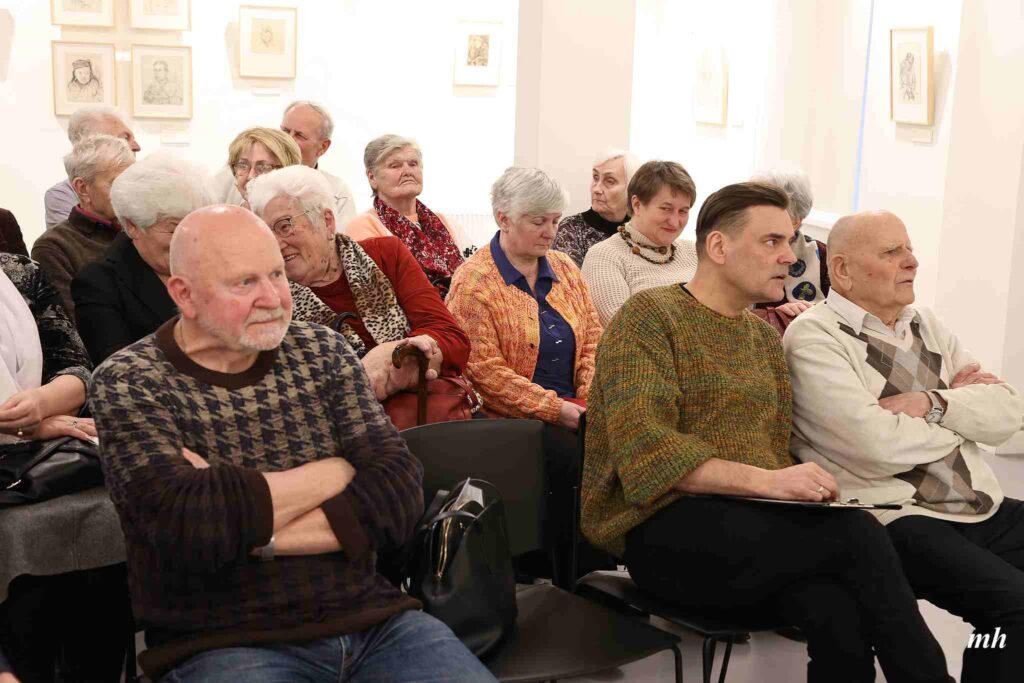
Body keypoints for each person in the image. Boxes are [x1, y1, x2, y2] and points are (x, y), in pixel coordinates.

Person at [88, 205, 495, 682]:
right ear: (184, 294)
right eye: (244, 283)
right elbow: (185, 526)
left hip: (372, 620)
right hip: (223, 641)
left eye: (277, 274)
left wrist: (246, 527)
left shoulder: (322, 351)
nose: (273, 298)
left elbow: (397, 496)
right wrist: (335, 471)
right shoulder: (130, 380)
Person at [581, 182, 953, 683]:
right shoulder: (649, 318)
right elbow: (649, 453)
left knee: (834, 606)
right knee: (858, 534)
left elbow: (777, 448)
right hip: (662, 533)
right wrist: (771, 482)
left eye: (791, 241)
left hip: (752, 530)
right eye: (772, 241)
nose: (790, 257)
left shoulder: (760, 336)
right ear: (718, 247)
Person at [785, 209, 1024, 683]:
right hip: (897, 516)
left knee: (1003, 621)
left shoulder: (925, 324)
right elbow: (875, 444)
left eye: (909, 249)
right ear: (844, 270)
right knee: (1013, 608)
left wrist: (931, 403)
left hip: (976, 502)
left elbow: (1010, 414)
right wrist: (960, 412)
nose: (912, 261)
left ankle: (991, 645)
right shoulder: (815, 337)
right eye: (892, 252)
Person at [447, 167, 604, 584]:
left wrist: (588, 398)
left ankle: (600, 571)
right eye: (538, 221)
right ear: (504, 218)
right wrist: (556, 410)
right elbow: (483, 372)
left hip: (574, 406)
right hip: (509, 417)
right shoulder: (474, 282)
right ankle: (567, 575)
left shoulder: (565, 267)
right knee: (573, 456)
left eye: (555, 220)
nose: (550, 232)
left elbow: (593, 339)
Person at [0, 252, 130, 683]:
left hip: (40, 456)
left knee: (108, 517)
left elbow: (77, 369)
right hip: (23, 461)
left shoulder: (19, 272)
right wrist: (33, 426)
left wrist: (40, 403)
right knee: (23, 538)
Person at [248, 166, 469, 401]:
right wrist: (359, 376)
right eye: (267, 233)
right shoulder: (267, 296)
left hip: (420, 414)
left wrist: (400, 356)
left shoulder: (386, 255)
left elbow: (451, 338)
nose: (276, 243)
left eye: (284, 226)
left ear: (327, 222)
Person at [72, 152, 215, 364]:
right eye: (173, 229)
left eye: (194, 225)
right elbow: (118, 369)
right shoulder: (99, 284)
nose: (188, 240)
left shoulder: (215, 266)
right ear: (133, 226)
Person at [344, 135, 470, 298]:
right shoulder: (363, 225)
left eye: (413, 164)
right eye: (395, 166)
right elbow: (380, 290)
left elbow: (475, 270)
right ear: (372, 177)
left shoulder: (445, 222)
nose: (407, 172)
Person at [582, 160, 699, 326]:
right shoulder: (604, 256)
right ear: (636, 204)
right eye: (666, 209)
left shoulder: (695, 252)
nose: (675, 222)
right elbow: (623, 330)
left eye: (683, 211)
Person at [31, 134, 135, 318]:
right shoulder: (54, 247)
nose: (129, 192)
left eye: (133, 181)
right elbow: (74, 322)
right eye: (117, 183)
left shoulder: (142, 229)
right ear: (83, 189)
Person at [751, 169, 829, 332]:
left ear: (795, 220)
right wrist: (773, 316)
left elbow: (842, 313)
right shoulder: (743, 249)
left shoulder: (824, 256)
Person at [44, 106, 141, 230]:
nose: (137, 146)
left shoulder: (144, 183)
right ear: (91, 146)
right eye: (124, 139)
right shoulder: (61, 195)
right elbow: (74, 239)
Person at [552, 148, 640, 268]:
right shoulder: (571, 229)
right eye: (595, 177)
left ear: (631, 189)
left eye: (609, 181)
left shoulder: (640, 232)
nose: (596, 189)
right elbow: (571, 278)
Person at [280, 100, 357, 225]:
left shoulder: (337, 192)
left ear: (323, 147)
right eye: (285, 131)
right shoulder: (254, 178)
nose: (287, 141)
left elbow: (344, 237)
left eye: (299, 135)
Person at [215, 127, 302, 207]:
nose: (250, 176)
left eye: (263, 167)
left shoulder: (301, 217)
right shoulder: (224, 216)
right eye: (243, 165)